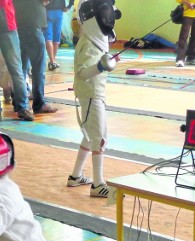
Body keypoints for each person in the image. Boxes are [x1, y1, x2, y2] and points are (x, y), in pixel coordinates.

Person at [68, 0, 121, 198]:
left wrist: (108, 62)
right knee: (99, 138)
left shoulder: (94, 40)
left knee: (90, 135)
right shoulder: (88, 44)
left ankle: (75, 176)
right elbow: (82, 73)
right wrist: (100, 66)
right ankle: (98, 185)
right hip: (90, 95)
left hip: (95, 93)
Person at [12, 0, 58, 115]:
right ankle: (39, 103)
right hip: (33, 23)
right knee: (38, 68)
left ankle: (19, 103)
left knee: (20, 68)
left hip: (17, 23)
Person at [44, 0, 75, 71]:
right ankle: (53, 61)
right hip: (59, 11)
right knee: (56, 38)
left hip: (47, 10)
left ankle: (52, 61)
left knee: (48, 37)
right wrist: (69, 5)